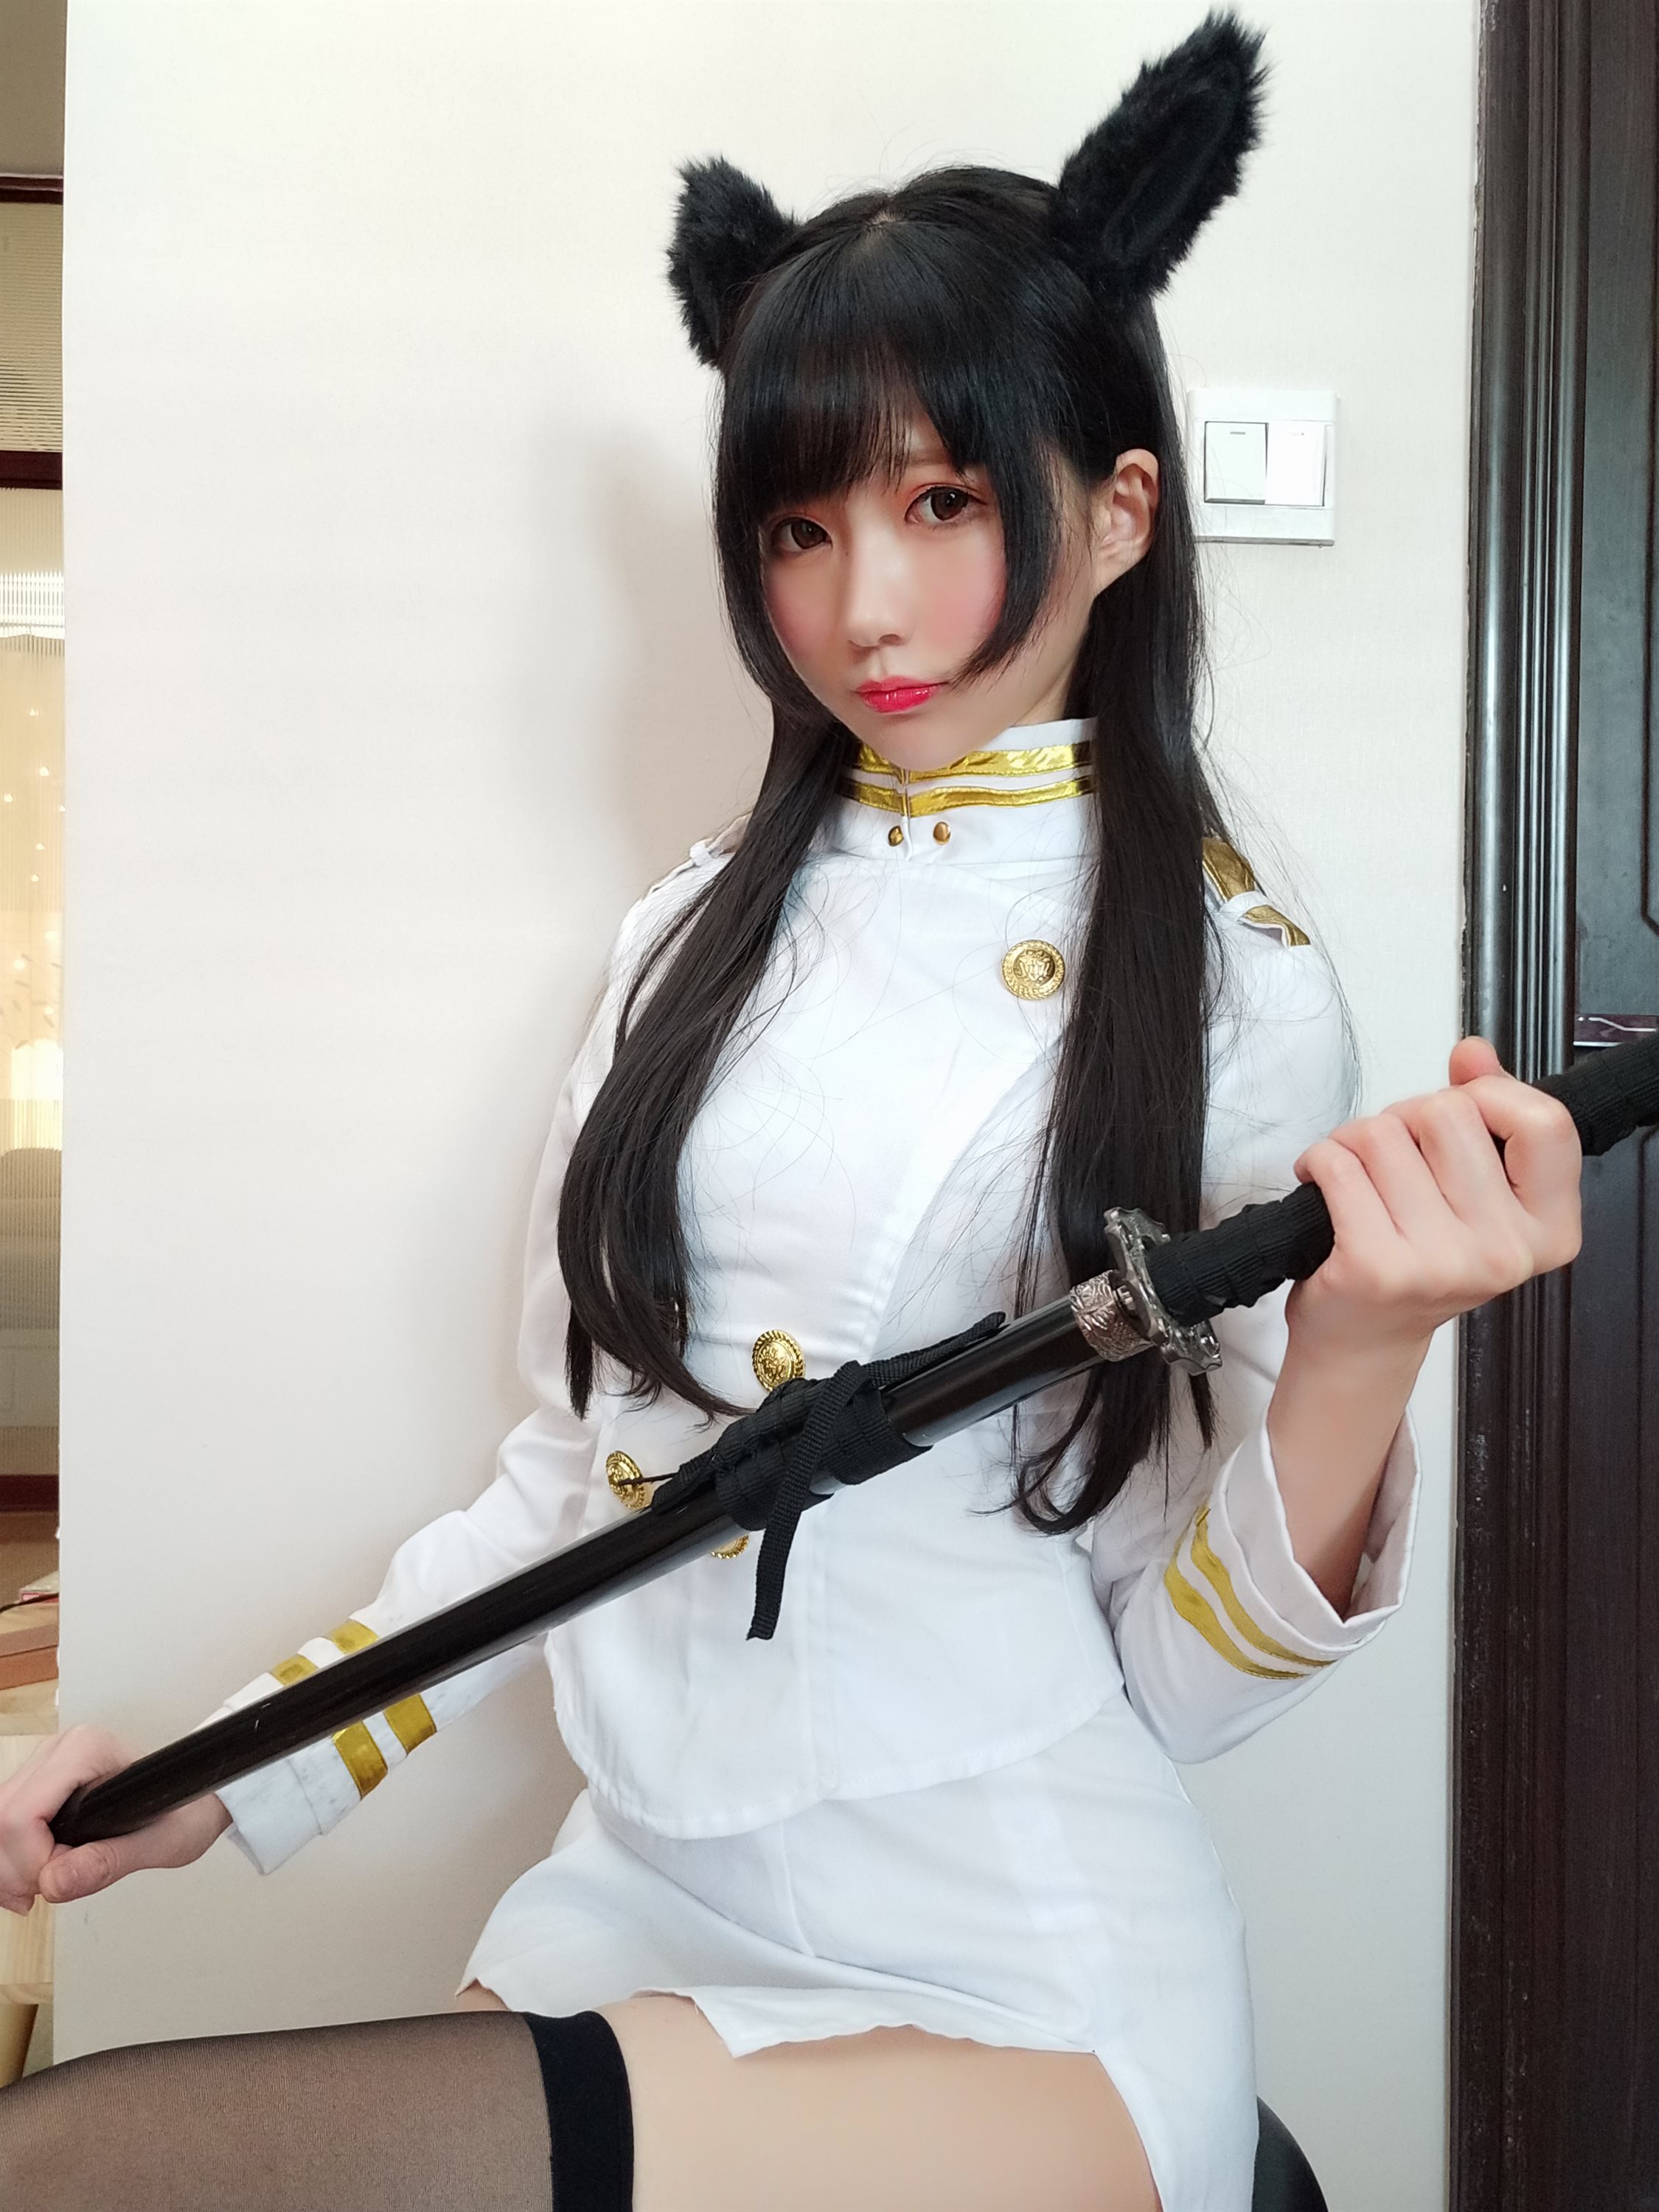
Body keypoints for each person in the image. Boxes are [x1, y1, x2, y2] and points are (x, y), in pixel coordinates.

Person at [0, 14, 1582, 2211]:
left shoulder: (1226, 981)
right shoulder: (688, 940)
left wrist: (1365, 1347)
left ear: (1119, 513)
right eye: (802, 524)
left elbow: (1190, 1684)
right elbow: (578, 1482)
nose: (863, 606)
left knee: (83, 2166)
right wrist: (225, 1775)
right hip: (638, 1883)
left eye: (944, 503)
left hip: (1009, 1953)